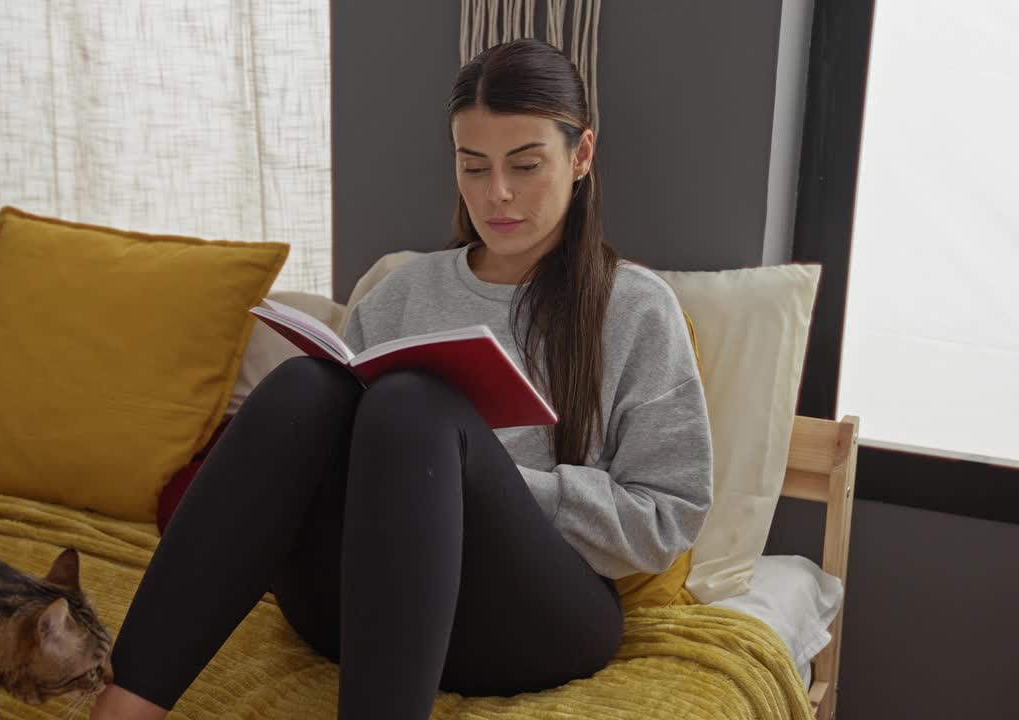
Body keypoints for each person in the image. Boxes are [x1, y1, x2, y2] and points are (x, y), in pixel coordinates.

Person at [90, 37, 713, 720]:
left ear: (581, 155)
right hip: (363, 609)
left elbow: (668, 517)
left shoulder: (636, 307)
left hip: (535, 623)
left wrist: (477, 480)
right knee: (305, 388)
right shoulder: (402, 290)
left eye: (526, 165)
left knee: (415, 409)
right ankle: (126, 707)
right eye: (472, 167)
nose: (497, 194)